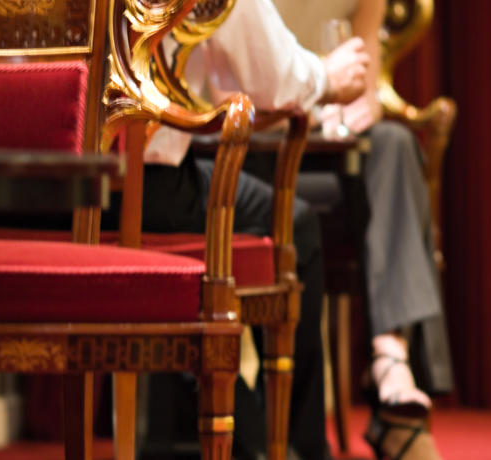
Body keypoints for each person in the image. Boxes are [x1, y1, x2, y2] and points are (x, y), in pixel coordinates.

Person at [132, 1, 369, 459]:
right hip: (144, 188)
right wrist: (326, 76)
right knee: (294, 225)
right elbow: (273, 79)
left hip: (31, 194)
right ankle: (291, 445)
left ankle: (244, 430)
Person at [270, 0, 454, 458]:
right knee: (329, 200)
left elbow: (367, 84)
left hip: (328, 148)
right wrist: (316, 91)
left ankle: (390, 355)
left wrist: (360, 109)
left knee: (395, 145)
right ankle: (394, 421)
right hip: (265, 148)